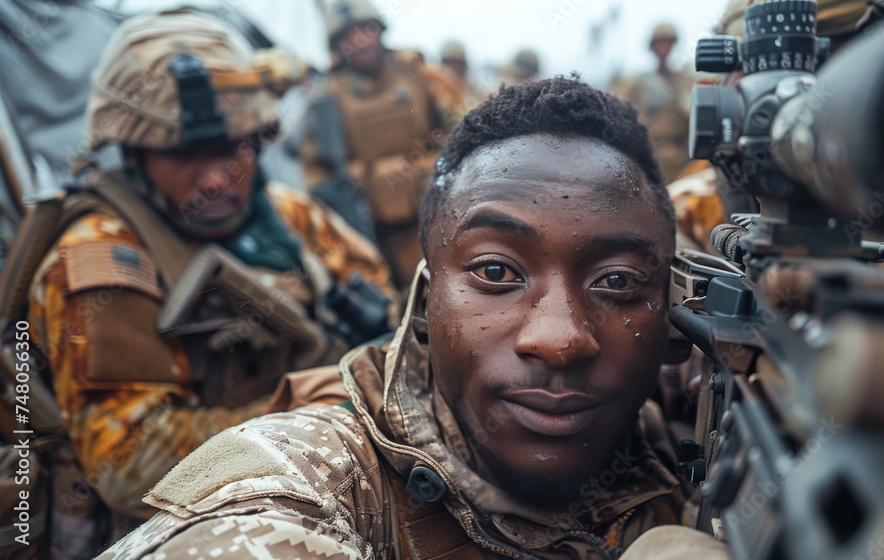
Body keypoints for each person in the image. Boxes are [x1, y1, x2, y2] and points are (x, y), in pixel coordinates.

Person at [96, 77, 729, 559]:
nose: (559, 339)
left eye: (616, 282)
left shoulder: (694, 428)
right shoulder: (317, 473)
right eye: (497, 273)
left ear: (673, 313)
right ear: (425, 305)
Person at [9, 10, 394, 558]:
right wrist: (325, 409)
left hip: (320, 493)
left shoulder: (287, 216)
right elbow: (129, 463)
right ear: (135, 151)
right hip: (180, 529)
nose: (215, 178)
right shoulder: (98, 260)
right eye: (185, 153)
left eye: (232, 147)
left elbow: (389, 305)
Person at [296, 0, 456, 289]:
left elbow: (459, 126)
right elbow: (315, 170)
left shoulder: (417, 73)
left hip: (438, 211)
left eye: (364, 30)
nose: (358, 40)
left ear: (380, 31)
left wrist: (435, 166)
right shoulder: (325, 98)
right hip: (373, 228)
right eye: (347, 35)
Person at [618, 24, 693, 185]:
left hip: (681, 154)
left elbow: (692, 117)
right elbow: (626, 119)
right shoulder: (639, 84)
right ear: (652, 48)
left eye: (668, 43)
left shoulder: (683, 81)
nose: (664, 48)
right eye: (660, 44)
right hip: (650, 153)